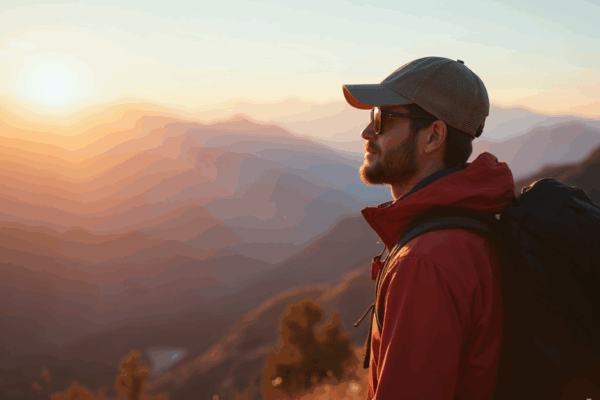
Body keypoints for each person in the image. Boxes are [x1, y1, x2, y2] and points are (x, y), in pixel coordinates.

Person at [343, 57, 515, 399]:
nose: (366, 132)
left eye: (381, 119)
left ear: (434, 136)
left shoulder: (426, 262)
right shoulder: (472, 227)